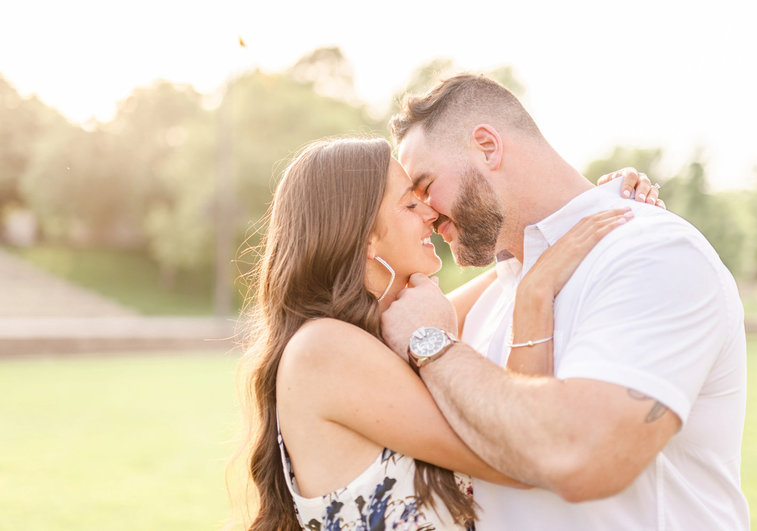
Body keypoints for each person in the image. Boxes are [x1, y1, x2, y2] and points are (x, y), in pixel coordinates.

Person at [380, 73, 749, 530]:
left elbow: (583, 456)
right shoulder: (502, 289)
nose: (428, 213)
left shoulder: (653, 253)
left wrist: (429, 342)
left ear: (488, 147)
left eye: (426, 184)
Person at [235, 136, 656, 530]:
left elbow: (511, 267)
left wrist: (594, 206)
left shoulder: (382, 336)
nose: (431, 214)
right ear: (364, 237)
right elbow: (522, 455)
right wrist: (535, 294)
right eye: (409, 205)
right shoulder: (323, 349)